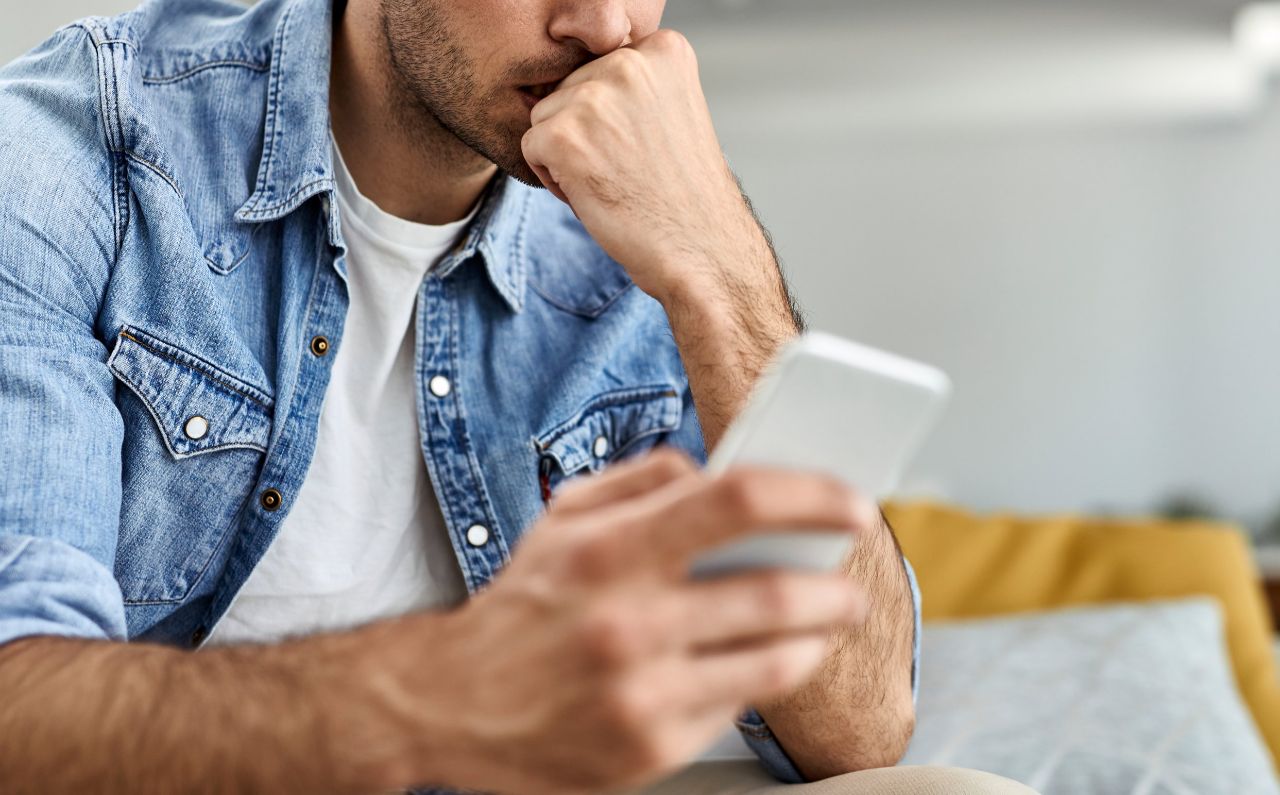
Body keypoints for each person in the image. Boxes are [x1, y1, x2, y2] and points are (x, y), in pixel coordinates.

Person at [0, 0, 1035, 792]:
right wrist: (452, 691)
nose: (606, 27)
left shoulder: (632, 215)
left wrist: (718, 267)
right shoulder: (73, 155)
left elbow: (856, 729)